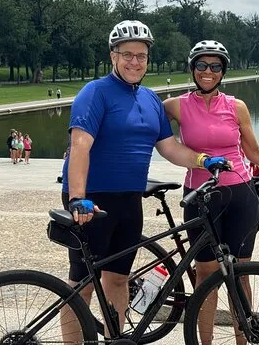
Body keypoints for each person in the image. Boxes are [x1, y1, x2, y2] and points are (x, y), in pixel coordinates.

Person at [60, 21, 229, 341]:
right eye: (127, 55)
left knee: (117, 279)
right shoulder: (95, 92)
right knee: (81, 285)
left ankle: (115, 339)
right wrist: (77, 198)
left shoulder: (151, 99)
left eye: (141, 56)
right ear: (113, 56)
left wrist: (203, 160)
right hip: (92, 199)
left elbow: (169, 147)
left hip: (129, 201)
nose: (134, 62)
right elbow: (80, 145)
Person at [163, 40, 259, 343]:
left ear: (223, 71)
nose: (208, 71)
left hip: (240, 196)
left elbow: (253, 152)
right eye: (202, 65)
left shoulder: (236, 106)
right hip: (201, 197)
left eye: (215, 66)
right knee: (206, 276)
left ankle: (244, 341)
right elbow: (146, 130)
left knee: (239, 274)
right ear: (192, 69)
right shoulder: (176, 106)